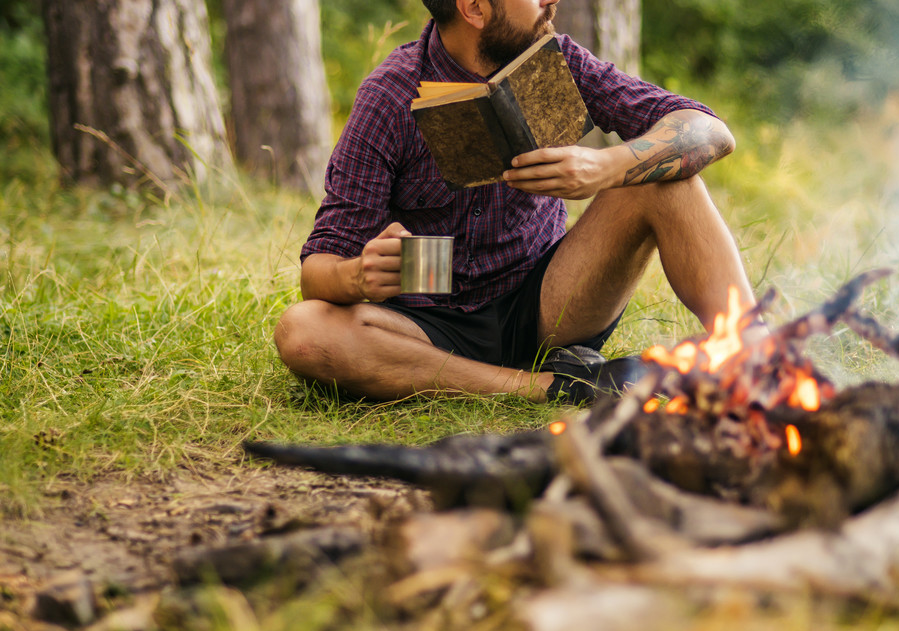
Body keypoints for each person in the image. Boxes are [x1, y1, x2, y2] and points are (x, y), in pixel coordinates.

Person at [273, 0, 757, 405]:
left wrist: (607, 166)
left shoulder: (556, 61)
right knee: (303, 331)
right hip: (424, 327)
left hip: (546, 301)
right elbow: (318, 269)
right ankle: (553, 386)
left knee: (665, 175)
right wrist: (355, 275)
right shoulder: (390, 96)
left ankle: (753, 355)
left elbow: (708, 129)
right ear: (475, 8)